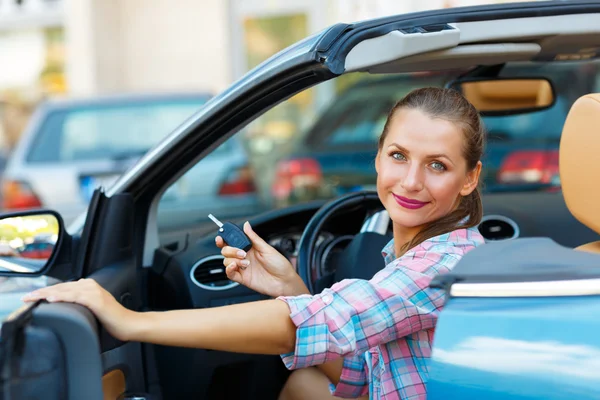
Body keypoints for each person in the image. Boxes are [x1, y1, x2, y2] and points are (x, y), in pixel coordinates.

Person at [23, 87, 486, 399]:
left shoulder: (446, 266)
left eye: (438, 165)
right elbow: (362, 378)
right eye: (399, 156)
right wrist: (291, 291)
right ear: (378, 156)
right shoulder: (412, 256)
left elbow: (316, 322)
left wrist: (128, 322)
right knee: (305, 378)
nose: (410, 181)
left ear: (470, 179)